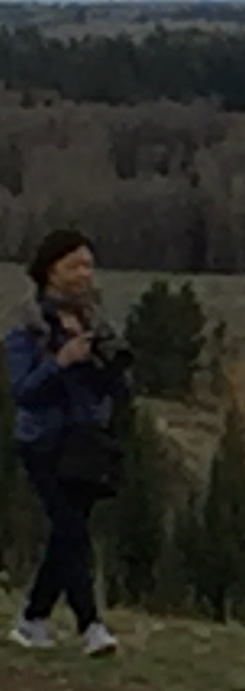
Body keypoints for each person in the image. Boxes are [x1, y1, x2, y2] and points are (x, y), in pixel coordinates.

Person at [7, 230, 131, 657]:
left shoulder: (95, 320)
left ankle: (32, 620)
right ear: (50, 270)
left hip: (87, 442)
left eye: (88, 265)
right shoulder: (28, 325)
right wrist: (60, 362)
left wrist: (110, 368)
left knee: (68, 534)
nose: (83, 274)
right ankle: (90, 626)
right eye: (74, 265)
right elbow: (23, 391)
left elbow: (115, 386)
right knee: (72, 530)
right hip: (43, 440)